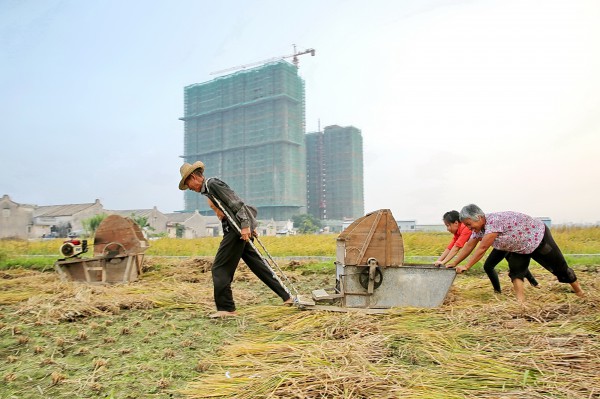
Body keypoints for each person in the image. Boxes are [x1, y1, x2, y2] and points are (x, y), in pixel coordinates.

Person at [178, 161, 293, 318]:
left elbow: (236, 203)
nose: (189, 188)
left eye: (188, 184)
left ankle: (226, 308)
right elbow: (228, 210)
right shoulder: (208, 192)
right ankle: (287, 296)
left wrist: (246, 226)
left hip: (236, 231)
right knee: (258, 264)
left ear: (193, 177)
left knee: (219, 268)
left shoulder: (212, 184)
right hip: (236, 229)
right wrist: (249, 225)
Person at [448, 204, 584, 302]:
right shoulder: (479, 229)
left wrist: (467, 266)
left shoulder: (493, 223)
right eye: (466, 225)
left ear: (478, 217)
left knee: (560, 267)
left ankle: (579, 292)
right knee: (516, 271)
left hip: (537, 238)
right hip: (519, 247)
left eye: (469, 223)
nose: (468, 227)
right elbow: (470, 245)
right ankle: (521, 302)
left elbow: (482, 248)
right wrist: (454, 263)